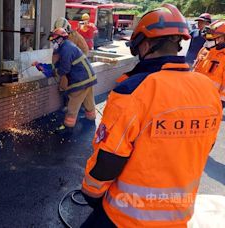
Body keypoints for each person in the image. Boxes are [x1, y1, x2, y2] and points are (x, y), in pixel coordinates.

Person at [80, 4, 222, 227]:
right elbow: (206, 145)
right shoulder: (208, 89)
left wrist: (91, 193)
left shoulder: (134, 90)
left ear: (145, 44)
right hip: (178, 215)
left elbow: (110, 157)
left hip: (126, 216)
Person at [48, 28, 97, 135]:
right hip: (88, 77)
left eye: (54, 40)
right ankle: (91, 117)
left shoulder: (66, 49)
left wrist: (55, 71)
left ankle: (68, 126)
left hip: (81, 79)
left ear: (60, 39)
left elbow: (65, 69)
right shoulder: (67, 46)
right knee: (88, 99)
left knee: (73, 102)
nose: (53, 42)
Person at [194, 19, 225, 108]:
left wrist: (219, 103)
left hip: (211, 103)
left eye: (212, 37)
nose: (208, 40)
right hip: (194, 96)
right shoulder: (204, 50)